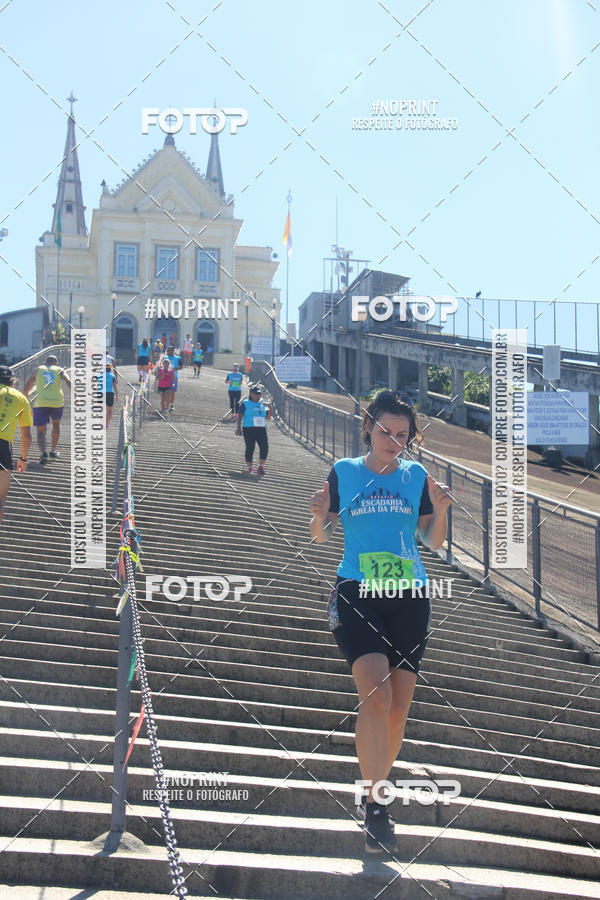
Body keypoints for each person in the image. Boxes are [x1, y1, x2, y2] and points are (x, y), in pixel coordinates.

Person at [308, 390, 452, 854]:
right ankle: (376, 806)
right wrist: (316, 516)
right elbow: (321, 535)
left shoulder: (417, 476)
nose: (395, 441)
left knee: (398, 708)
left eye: (403, 435)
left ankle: (374, 790)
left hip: (409, 596)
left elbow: (431, 542)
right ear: (367, 426)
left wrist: (443, 510)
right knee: (376, 695)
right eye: (387, 431)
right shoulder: (345, 472)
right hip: (357, 591)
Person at [24, 354, 71, 464]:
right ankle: (53, 451)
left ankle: (43, 453)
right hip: (57, 403)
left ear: (45, 363)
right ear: (56, 363)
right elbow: (68, 381)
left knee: (40, 430)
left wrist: (25, 400)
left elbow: (27, 386)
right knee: (56, 425)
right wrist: (77, 396)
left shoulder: (38, 370)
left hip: (40, 403)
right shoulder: (59, 369)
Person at [0, 365, 32, 522]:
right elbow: (26, 435)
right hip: (3, 444)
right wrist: (23, 459)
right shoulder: (20, 398)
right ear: (12, 381)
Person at [235, 384, 272, 474]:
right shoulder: (245, 403)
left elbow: (267, 418)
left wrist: (270, 409)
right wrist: (238, 428)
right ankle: (250, 467)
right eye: (255, 394)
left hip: (261, 429)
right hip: (248, 428)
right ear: (251, 394)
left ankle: (261, 467)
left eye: (259, 394)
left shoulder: (263, 403)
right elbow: (239, 416)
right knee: (250, 448)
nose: (257, 395)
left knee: (264, 447)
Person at [164, 345, 181, 412]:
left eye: (171, 350)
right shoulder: (165, 357)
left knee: (172, 391)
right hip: (165, 376)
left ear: (173, 351)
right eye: (169, 350)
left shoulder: (178, 358)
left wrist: (175, 369)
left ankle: (172, 404)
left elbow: (181, 366)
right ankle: (166, 404)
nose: (170, 351)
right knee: (166, 391)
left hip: (174, 376)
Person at [103, 363, 118, 428]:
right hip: (110, 393)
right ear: (110, 369)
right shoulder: (112, 376)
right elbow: (114, 386)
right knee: (109, 410)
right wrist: (117, 395)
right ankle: (107, 424)